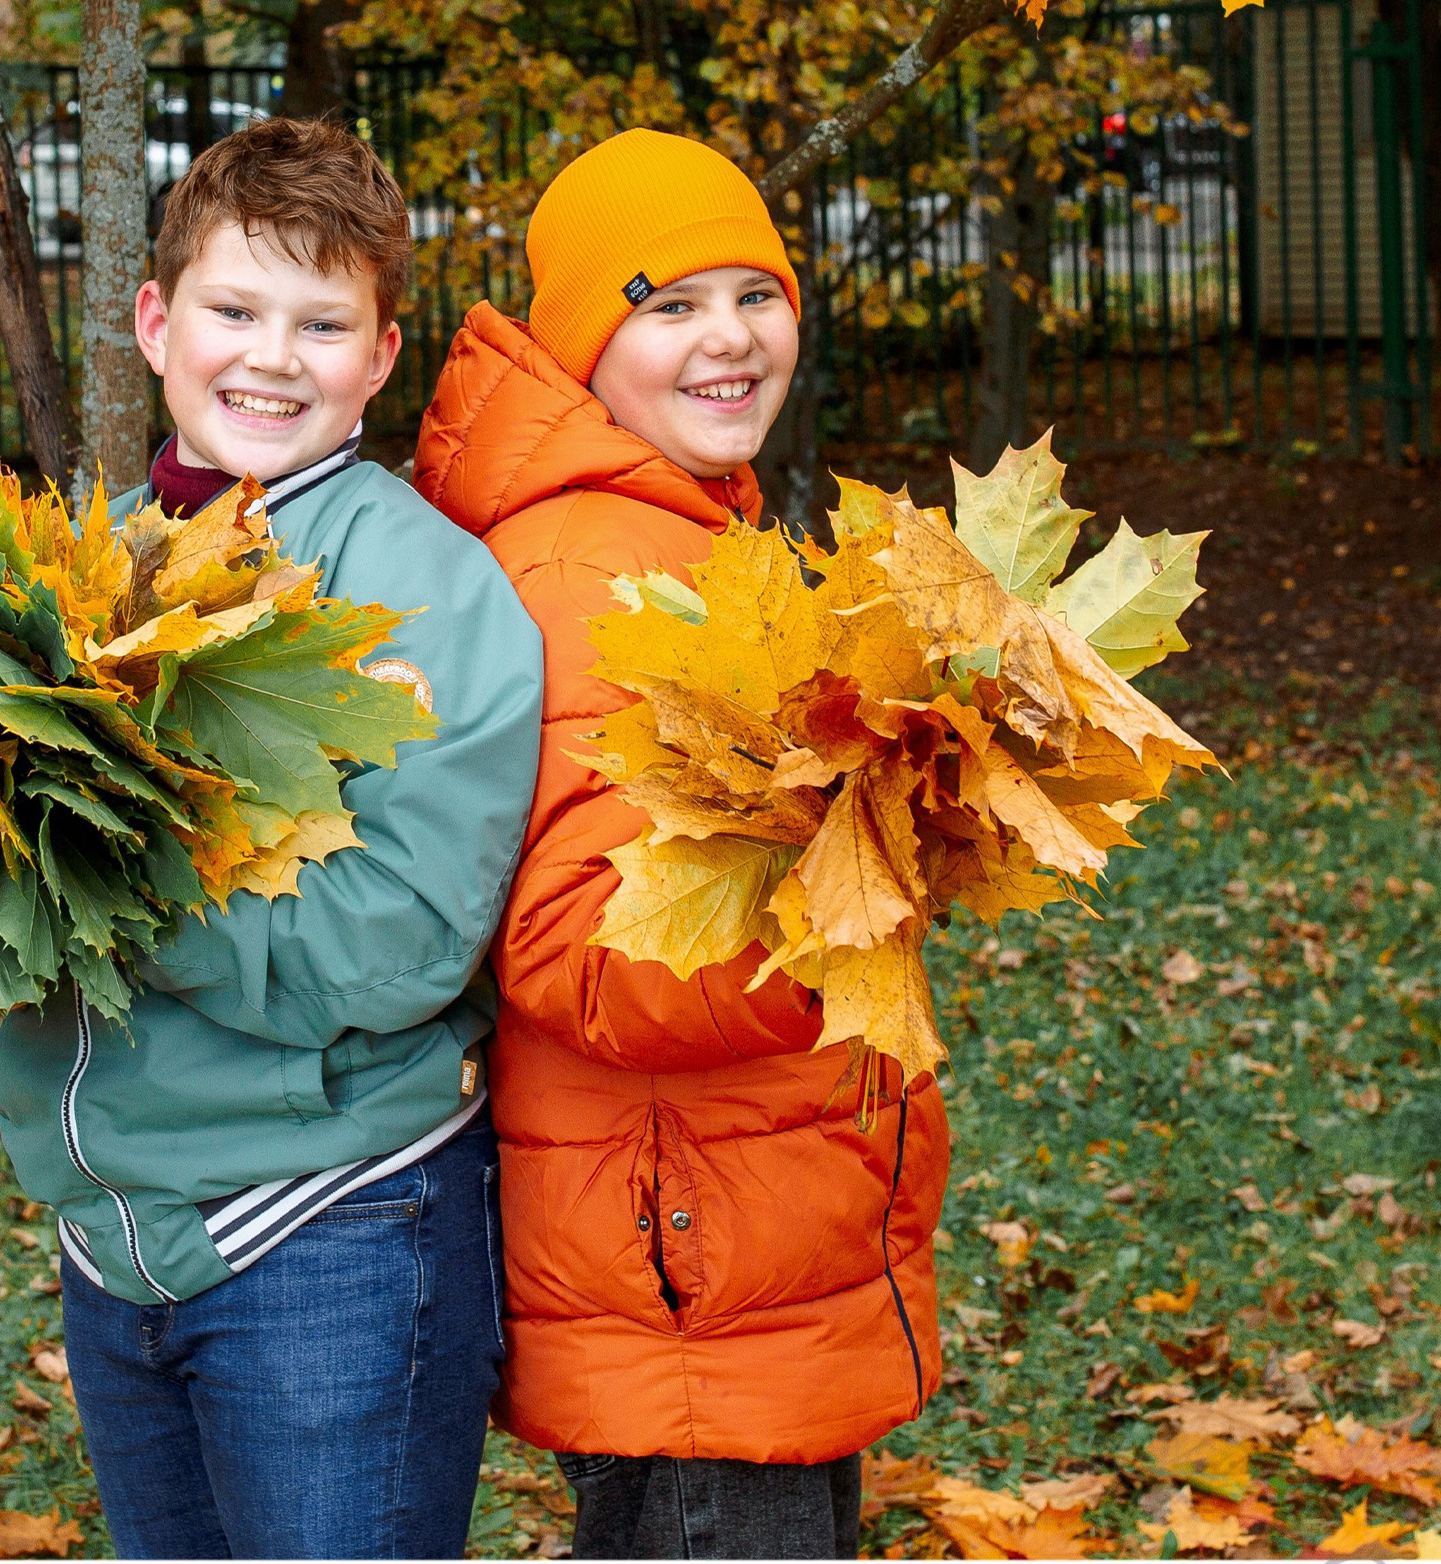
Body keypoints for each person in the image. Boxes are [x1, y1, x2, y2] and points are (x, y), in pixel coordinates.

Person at [0, 118, 545, 1560]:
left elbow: (390, 950)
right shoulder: (79, 569)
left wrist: (104, 869)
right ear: (158, 321)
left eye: (321, 322)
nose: (271, 358)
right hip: (114, 1240)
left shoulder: (429, 597)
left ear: (380, 357)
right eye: (235, 309)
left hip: (329, 1238)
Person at [413, 128, 949, 1559]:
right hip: (695, 1279)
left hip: (739, 1253)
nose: (729, 338)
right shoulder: (597, 575)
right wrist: (870, 869)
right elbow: (587, 956)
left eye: (755, 294)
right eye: (668, 305)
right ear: (588, 345)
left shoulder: (683, 532)